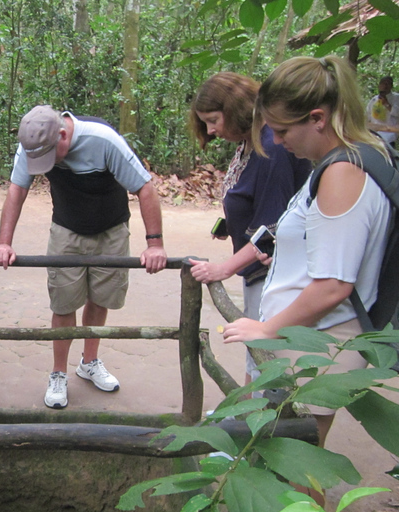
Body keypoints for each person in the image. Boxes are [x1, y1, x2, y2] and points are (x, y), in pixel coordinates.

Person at [221, 56, 392, 504]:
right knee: (285, 465)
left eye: (282, 130)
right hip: (306, 340)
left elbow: (334, 284)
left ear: (317, 118)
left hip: (319, 345)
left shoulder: (343, 172)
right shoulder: (352, 155)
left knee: (297, 475)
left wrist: (266, 327)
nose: (276, 142)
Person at [0, 105, 168, 409]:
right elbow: (17, 190)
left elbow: (145, 188)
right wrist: (3, 243)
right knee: (64, 303)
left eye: (51, 154)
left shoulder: (103, 140)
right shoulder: (32, 145)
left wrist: (154, 244)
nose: (48, 163)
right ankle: (58, 372)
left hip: (110, 230)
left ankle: (89, 362)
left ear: (62, 134)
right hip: (66, 230)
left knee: (99, 298)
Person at [186, 72, 311, 386]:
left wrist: (223, 269)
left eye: (214, 120)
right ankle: (247, 405)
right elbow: (253, 194)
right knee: (254, 342)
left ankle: (263, 420)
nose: (211, 130)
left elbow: (273, 229)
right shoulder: (250, 140)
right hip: (258, 270)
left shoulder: (272, 146)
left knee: (265, 348)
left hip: (274, 273)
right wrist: (231, 223)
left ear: (237, 108)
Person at [365, 76, 399, 147]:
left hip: (389, 133)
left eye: (388, 84)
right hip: (374, 133)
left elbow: (397, 113)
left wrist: (386, 104)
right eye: (383, 83)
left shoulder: (396, 98)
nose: (385, 86)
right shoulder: (374, 99)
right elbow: (367, 116)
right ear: (379, 85)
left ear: (391, 86)